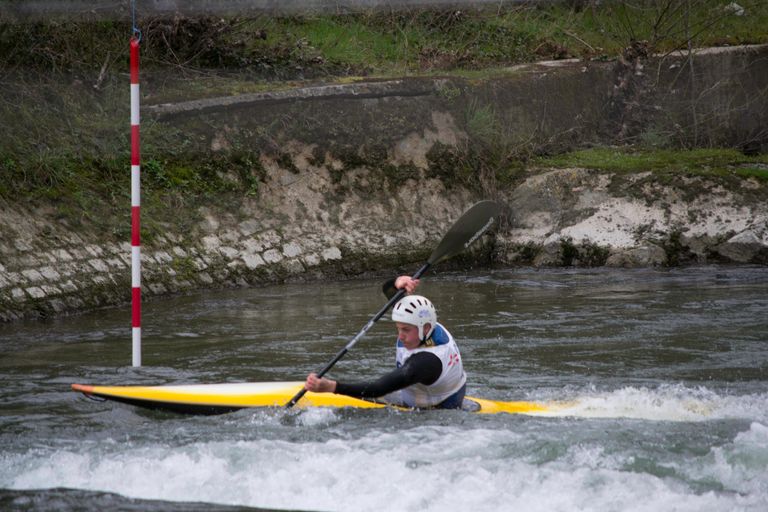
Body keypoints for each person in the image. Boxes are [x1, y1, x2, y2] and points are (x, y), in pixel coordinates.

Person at [304, 276, 467, 409]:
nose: (400, 336)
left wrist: (332, 387)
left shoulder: (426, 361)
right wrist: (397, 283)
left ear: (425, 329)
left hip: (438, 410)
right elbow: (390, 293)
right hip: (419, 393)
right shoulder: (421, 326)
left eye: (405, 330)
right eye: (398, 328)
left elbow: (378, 389)